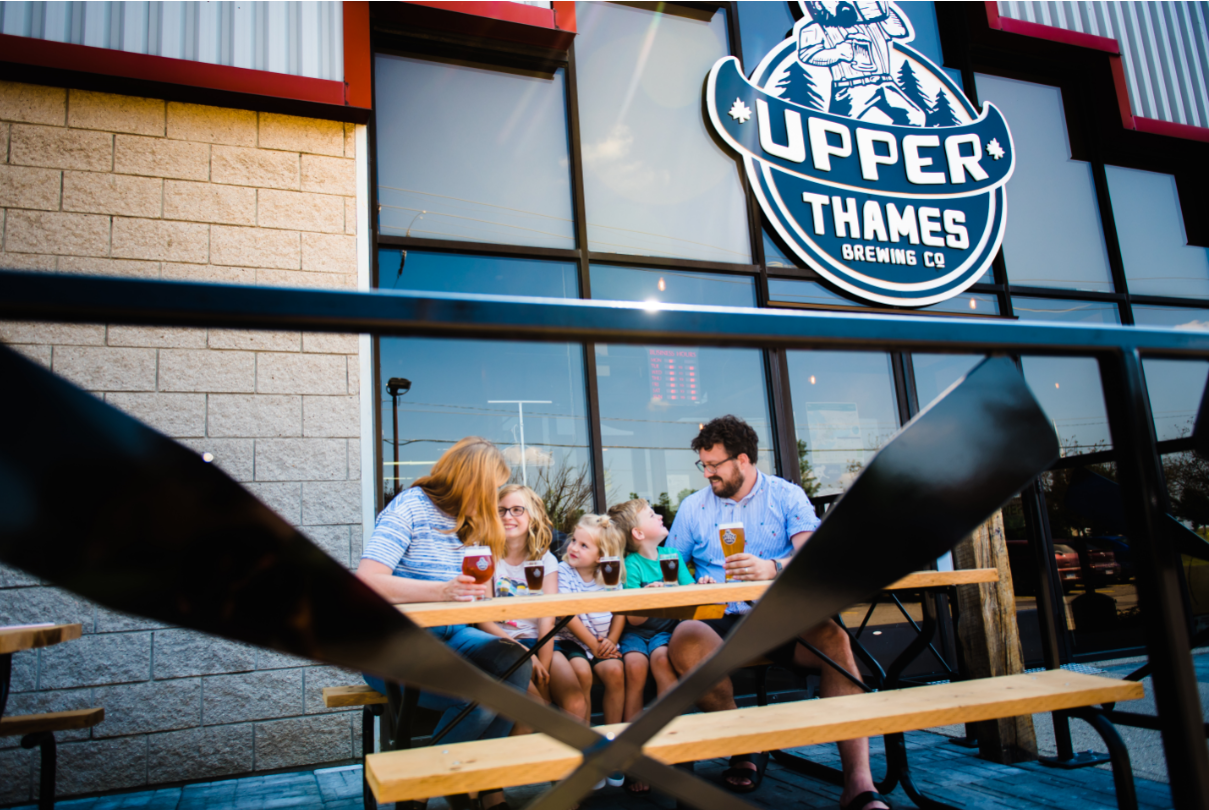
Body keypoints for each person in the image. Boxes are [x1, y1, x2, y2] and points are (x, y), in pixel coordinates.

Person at [664, 416, 891, 810]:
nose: (708, 473)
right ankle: (746, 741)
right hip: (718, 616)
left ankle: (859, 782)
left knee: (836, 640)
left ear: (744, 460)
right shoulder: (692, 507)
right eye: (703, 465)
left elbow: (813, 556)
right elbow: (670, 566)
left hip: (777, 616)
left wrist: (774, 568)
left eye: (715, 465)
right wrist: (686, 583)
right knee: (684, 639)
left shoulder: (786, 496)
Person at [355, 437, 530, 810]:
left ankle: (477, 781)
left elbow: (470, 595)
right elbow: (367, 581)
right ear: (472, 480)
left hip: (453, 635)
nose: (495, 496)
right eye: (493, 486)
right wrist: (441, 592)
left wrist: (490, 611)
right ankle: (426, 785)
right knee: (481, 695)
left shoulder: (472, 521)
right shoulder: (410, 508)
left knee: (514, 661)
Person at [607, 498, 715, 795]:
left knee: (662, 662)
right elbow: (633, 619)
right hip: (636, 634)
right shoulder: (631, 564)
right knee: (635, 666)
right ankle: (633, 761)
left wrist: (700, 587)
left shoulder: (672, 556)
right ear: (638, 534)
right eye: (652, 515)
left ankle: (672, 750)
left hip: (666, 632)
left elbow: (687, 595)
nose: (660, 516)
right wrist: (647, 597)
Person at [477, 484, 588, 727]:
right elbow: (483, 620)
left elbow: (546, 618)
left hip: (541, 641)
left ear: (533, 515)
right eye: (501, 511)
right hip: (502, 644)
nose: (508, 517)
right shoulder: (485, 556)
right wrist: (526, 658)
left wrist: (543, 664)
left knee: (576, 703)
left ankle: (581, 764)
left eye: (517, 510)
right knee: (535, 711)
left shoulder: (545, 559)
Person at [553, 514, 628, 787]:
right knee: (581, 675)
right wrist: (595, 646)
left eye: (584, 546)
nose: (573, 547)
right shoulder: (563, 572)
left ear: (601, 556)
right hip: (574, 642)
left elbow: (620, 609)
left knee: (616, 673)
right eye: (574, 541)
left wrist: (610, 640)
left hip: (602, 644)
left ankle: (610, 748)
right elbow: (566, 615)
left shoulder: (607, 575)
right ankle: (585, 753)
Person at [796, 0, 924, 126]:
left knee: (915, 118)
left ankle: (890, 144)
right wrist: (839, 52)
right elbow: (807, 54)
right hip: (850, 88)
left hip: (884, 83)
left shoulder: (875, 22)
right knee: (838, 129)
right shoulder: (816, 27)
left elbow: (900, 31)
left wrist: (881, 7)